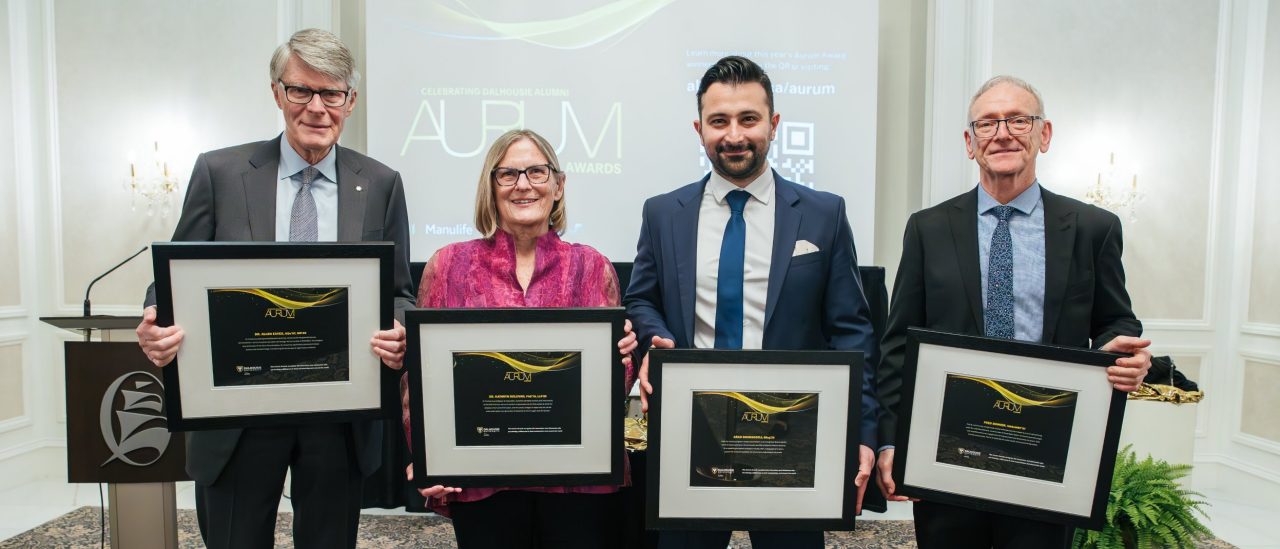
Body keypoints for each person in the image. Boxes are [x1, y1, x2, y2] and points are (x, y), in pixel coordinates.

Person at [134, 28, 413, 549]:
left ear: (350, 101)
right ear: (277, 93)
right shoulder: (220, 172)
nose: (316, 107)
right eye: (301, 91)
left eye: (332, 93)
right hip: (237, 411)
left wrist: (398, 326)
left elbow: (399, 290)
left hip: (338, 410)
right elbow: (172, 280)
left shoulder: (380, 183)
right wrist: (155, 319)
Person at [874, 75, 1153, 549]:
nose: (1002, 132)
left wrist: (1126, 354)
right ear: (970, 143)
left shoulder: (1093, 228)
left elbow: (1116, 320)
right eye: (987, 123)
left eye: (1018, 120)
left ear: (1043, 135)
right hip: (947, 451)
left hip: (1045, 452)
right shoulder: (927, 229)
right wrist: (890, 441)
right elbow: (898, 343)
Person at [624, 55, 880, 549]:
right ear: (700, 129)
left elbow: (853, 332)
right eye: (719, 121)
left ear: (774, 124)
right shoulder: (663, 213)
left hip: (792, 435)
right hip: (690, 434)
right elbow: (642, 298)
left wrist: (863, 434)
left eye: (748, 119)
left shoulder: (823, 214)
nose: (734, 135)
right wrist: (657, 339)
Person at [401, 128, 639, 548]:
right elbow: (419, 379)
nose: (523, 185)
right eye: (508, 174)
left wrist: (624, 357)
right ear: (490, 188)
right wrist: (425, 454)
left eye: (536, 172)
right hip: (480, 475)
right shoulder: (449, 266)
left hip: (575, 479)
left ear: (558, 185)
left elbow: (612, 387)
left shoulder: (591, 267)